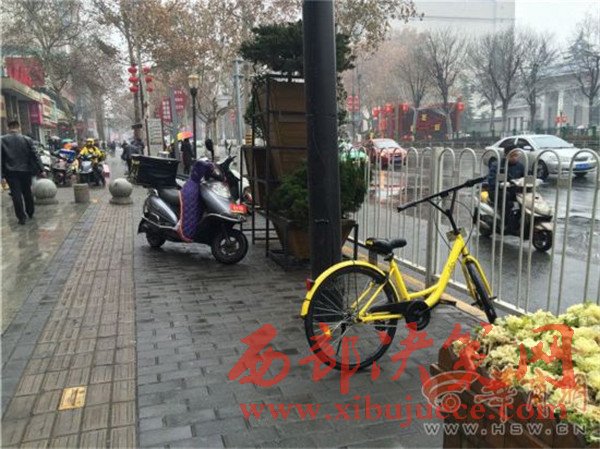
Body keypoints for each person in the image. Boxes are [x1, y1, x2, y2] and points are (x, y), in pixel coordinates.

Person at [1, 120, 45, 224]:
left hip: (10, 172)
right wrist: (42, 169)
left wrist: (1, 175)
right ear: (19, 128)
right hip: (26, 170)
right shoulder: (27, 139)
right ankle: (30, 212)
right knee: (27, 191)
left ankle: (21, 217)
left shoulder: (2, 140)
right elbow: (35, 155)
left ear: (8, 128)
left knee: (15, 193)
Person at [487, 143, 526, 229]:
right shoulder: (497, 165)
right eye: (512, 155)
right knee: (506, 197)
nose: (515, 158)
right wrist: (500, 185)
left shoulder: (520, 166)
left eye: (516, 155)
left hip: (514, 191)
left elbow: (525, 177)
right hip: (497, 191)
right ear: (506, 155)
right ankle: (507, 225)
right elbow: (491, 181)